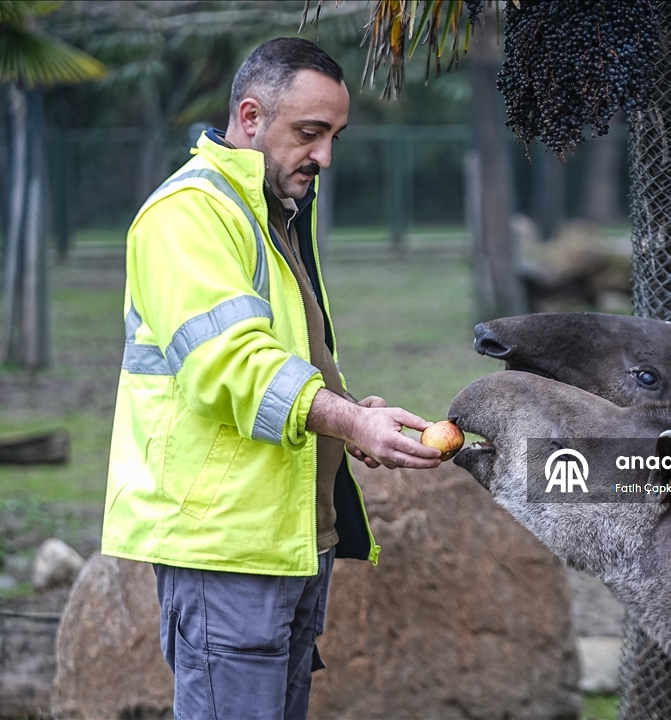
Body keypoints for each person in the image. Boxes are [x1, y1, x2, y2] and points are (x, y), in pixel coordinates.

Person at [100, 37, 442, 719]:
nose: (325, 157)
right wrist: (349, 421)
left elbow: (289, 357)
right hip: (228, 551)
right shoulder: (190, 216)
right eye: (310, 133)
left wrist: (353, 415)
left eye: (335, 136)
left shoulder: (273, 216)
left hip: (288, 542)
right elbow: (229, 367)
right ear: (251, 118)